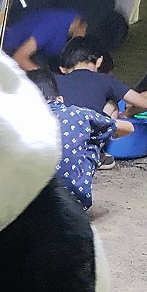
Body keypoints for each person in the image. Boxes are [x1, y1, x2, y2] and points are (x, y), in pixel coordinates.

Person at [27, 67, 116, 212]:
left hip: (26, 204)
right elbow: (116, 127)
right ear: (60, 99)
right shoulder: (79, 113)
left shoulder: (17, 120)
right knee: (92, 139)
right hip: (75, 201)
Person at [56, 36, 147, 118]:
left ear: (63, 68)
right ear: (99, 61)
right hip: (91, 133)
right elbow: (145, 104)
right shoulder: (106, 79)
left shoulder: (54, 81)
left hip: (58, 133)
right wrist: (127, 114)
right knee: (112, 104)